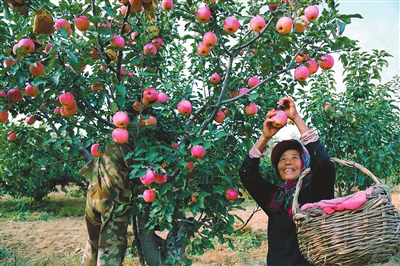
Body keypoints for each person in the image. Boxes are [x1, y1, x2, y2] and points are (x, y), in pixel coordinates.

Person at [239, 96, 336, 266]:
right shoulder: (274, 199)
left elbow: (323, 164)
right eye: (282, 159)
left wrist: (296, 118)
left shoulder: (317, 192)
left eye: (294, 157)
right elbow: (247, 174)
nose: (288, 162)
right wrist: (265, 137)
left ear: (305, 163)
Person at [80, 143, 134, 266]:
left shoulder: (107, 139)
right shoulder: (128, 142)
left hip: (94, 195)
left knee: (92, 243)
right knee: (110, 250)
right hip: (113, 203)